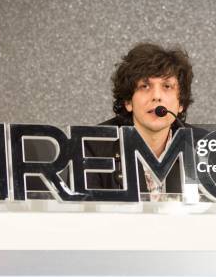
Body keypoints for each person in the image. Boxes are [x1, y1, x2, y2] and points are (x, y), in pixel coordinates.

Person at [85, 42, 205, 197]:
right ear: (128, 102)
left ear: (181, 103)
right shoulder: (94, 145)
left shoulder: (204, 145)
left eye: (167, 86)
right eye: (145, 86)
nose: (156, 96)